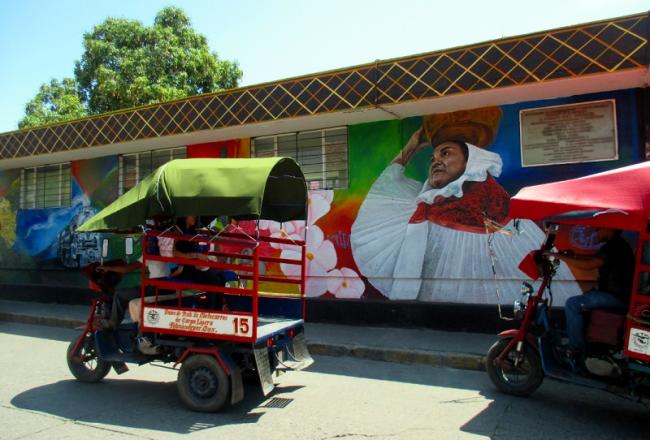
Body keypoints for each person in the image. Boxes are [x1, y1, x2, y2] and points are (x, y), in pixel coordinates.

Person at [350, 107, 582, 303]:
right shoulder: (428, 207)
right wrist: (411, 145)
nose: (436, 161)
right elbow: (384, 190)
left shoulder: (503, 212)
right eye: (433, 158)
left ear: (472, 160)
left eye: (446, 153)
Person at [546, 228, 634, 356]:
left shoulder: (614, 247)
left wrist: (559, 256)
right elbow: (593, 258)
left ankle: (576, 349)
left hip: (615, 297)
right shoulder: (616, 245)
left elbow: (589, 265)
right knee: (585, 300)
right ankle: (589, 344)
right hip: (616, 295)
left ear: (610, 229)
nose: (596, 232)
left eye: (600, 229)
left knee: (572, 304)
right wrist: (572, 256)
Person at [173, 216, 226, 310]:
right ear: (185, 216)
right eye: (192, 215)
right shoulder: (177, 231)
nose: (195, 218)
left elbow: (196, 250)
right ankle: (210, 311)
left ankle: (218, 310)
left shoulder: (192, 231)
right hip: (182, 267)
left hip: (192, 265)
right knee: (214, 279)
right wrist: (196, 256)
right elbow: (175, 253)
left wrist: (200, 259)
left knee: (221, 276)